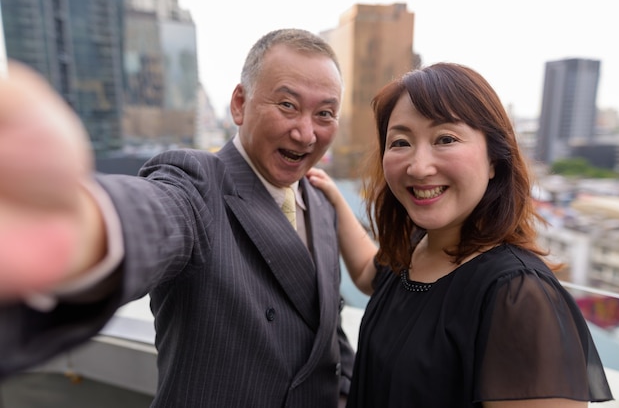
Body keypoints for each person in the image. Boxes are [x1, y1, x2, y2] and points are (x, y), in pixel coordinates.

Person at [0, 28, 354, 407]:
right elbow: (155, 214)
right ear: (239, 103)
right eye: (287, 105)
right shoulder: (198, 183)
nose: (305, 133)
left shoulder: (319, 201)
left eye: (325, 114)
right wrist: (83, 231)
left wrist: (346, 388)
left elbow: (327, 325)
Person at [306, 62, 614, 407]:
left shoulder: (518, 295)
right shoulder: (417, 247)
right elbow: (368, 273)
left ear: (495, 159)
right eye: (401, 142)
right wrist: (333, 196)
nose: (419, 166)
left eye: (446, 139)